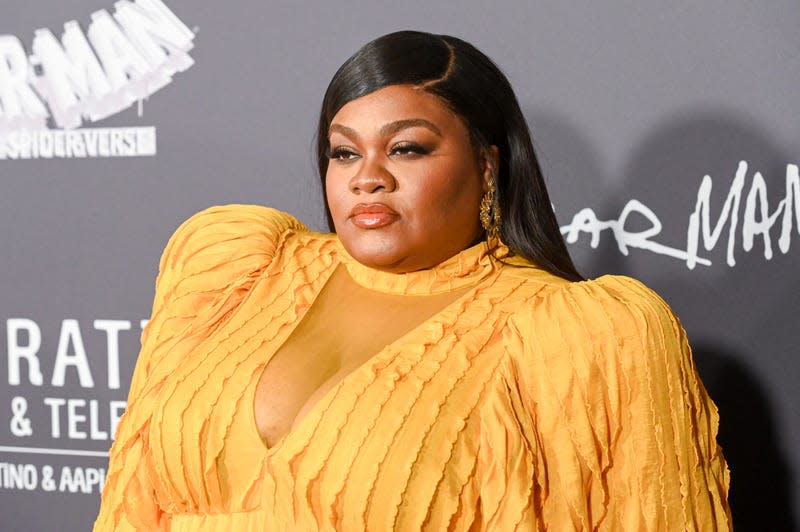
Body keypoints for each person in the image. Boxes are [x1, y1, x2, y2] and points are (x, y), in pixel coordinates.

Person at [94, 30, 730, 531]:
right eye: (344, 152)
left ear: (487, 166)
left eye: (407, 149)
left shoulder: (583, 336)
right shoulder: (237, 269)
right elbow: (129, 503)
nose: (367, 177)